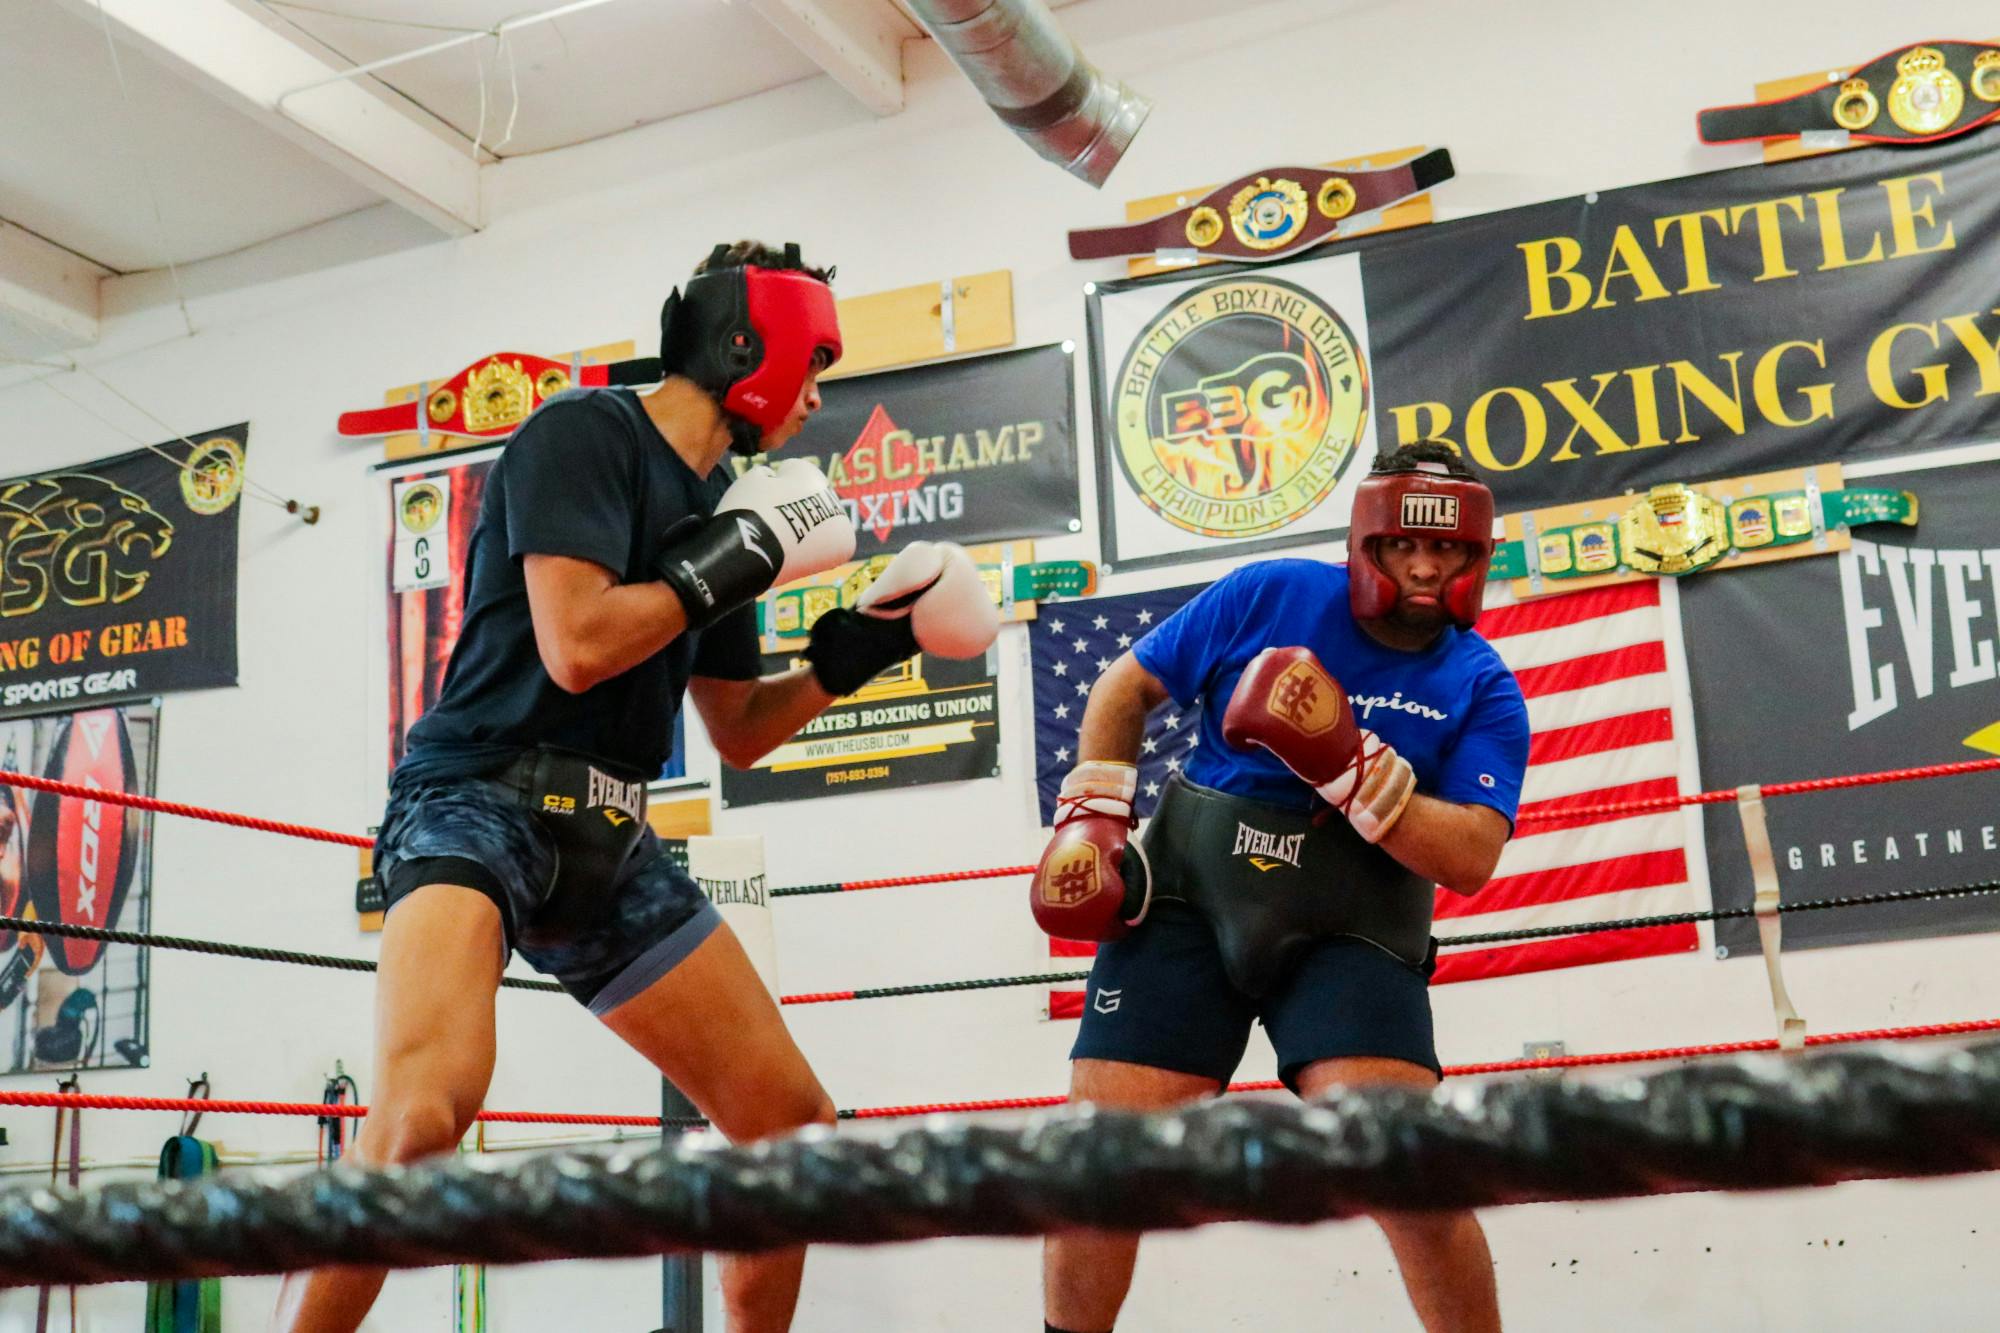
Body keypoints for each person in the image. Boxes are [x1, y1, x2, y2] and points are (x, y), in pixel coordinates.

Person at [275, 241, 997, 1333]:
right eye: (815, 362)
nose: (818, 393)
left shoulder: (726, 508)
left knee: (787, 1128)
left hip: (611, 837)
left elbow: (738, 730)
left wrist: (861, 651)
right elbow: (575, 645)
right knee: (423, 1112)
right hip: (477, 796)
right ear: (745, 340)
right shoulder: (582, 433)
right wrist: (741, 552)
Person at [1033, 442, 1530, 1333]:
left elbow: (1473, 854)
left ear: (1476, 556)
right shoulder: (1270, 593)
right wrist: (1096, 809)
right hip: (1188, 899)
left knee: (1411, 1174)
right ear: (1364, 541)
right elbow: (1126, 685)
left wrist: (1350, 765)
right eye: (1404, 547)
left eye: (1450, 550)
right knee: (1098, 1167)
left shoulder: (1481, 683)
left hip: (1355, 929)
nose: (1425, 565)